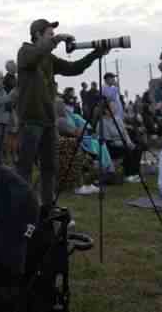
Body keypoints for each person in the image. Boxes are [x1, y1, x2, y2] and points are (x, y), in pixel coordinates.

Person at [16, 19, 108, 211]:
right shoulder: (25, 52)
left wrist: (95, 54)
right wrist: (58, 39)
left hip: (48, 122)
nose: (53, 38)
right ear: (38, 35)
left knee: (49, 167)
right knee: (24, 168)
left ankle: (47, 207)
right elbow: (35, 57)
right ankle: (21, 208)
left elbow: (74, 68)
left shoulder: (48, 58)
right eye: (49, 34)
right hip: (31, 120)